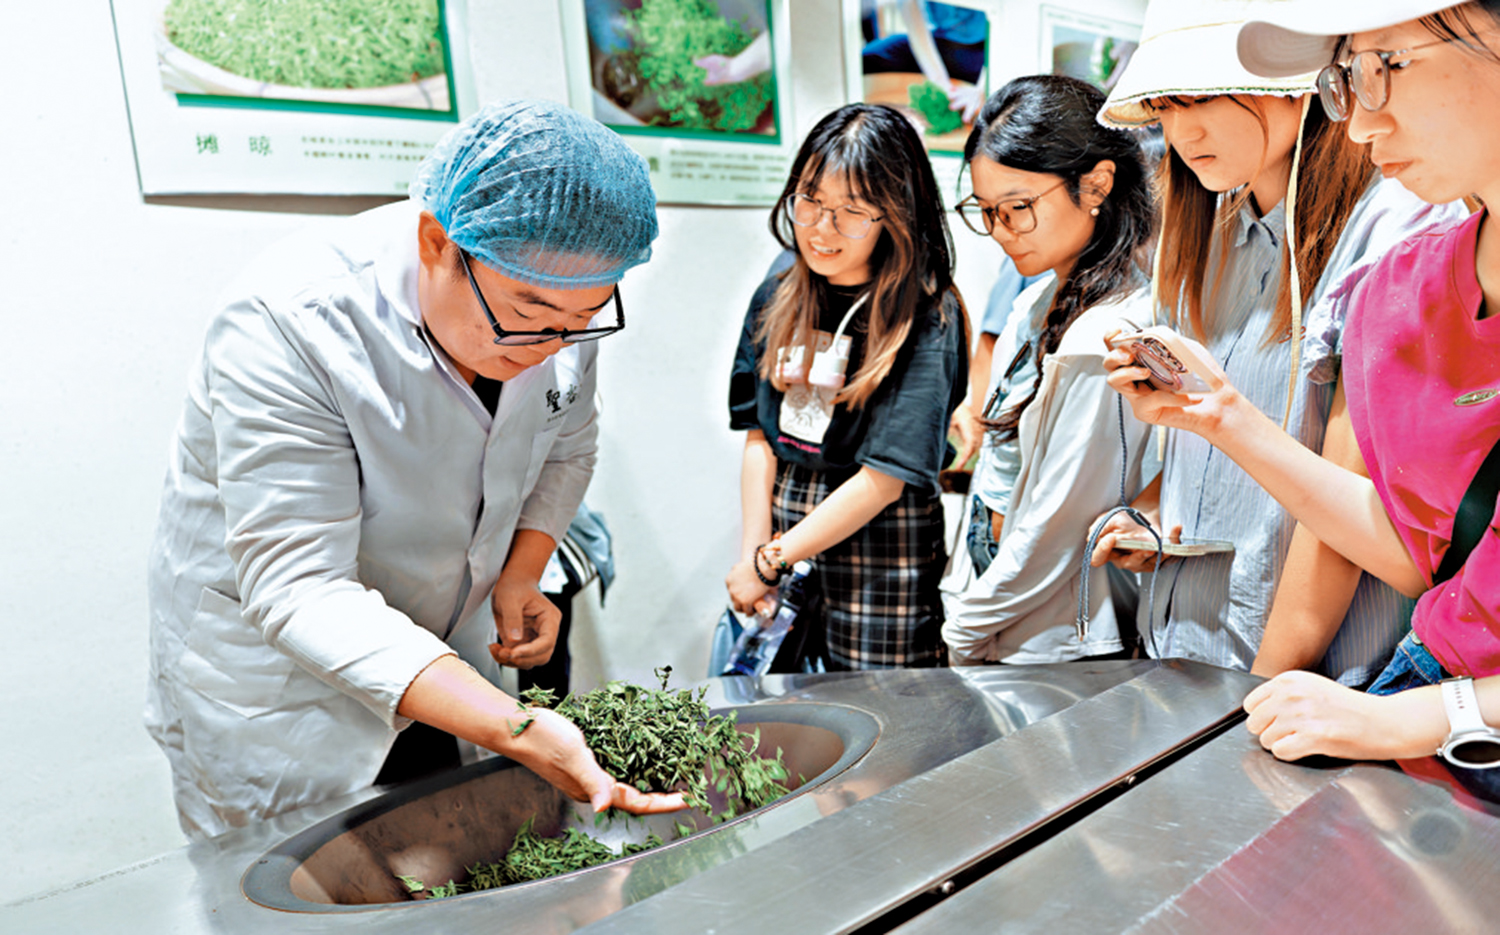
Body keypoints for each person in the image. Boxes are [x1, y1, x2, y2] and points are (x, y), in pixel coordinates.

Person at [145, 100, 686, 838]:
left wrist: (523, 570)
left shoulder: (559, 308)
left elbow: (568, 443)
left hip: (442, 654)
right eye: (526, 313)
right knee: (307, 892)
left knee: (440, 866)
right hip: (285, 694)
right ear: (437, 242)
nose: (548, 343)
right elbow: (301, 585)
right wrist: (520, 729)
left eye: (581, 318)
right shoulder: (291, 320)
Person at [1106, 0, 1500, 800]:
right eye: (1349, 77)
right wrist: (1217, 415)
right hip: (1409, 709)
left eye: (1389, 63)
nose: (1360, 123)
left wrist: (1398, 717)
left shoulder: (1384, 239)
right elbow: (1412, 548)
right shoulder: (1406, 284)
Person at [725, 103, 969, 670]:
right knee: (780, 706)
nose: (821, 229)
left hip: (881, 539)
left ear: (896, 214)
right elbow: (758, 435)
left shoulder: (928, 314)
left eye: (851, 211)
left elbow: (884, 480)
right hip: (785, 524)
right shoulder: (777, 292)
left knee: (886, 722)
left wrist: (769, 562)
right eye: (809, 202)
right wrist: (754, 557)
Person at [939, 75, 1156, 664]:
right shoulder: (1037, 300)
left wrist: (964, 627)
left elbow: (1058, 528)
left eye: (1018, 208)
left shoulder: (1111, 332)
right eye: (987, 212)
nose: (1002, 232)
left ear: (1096, 185)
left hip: (1046, 631)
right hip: (1004, 606)